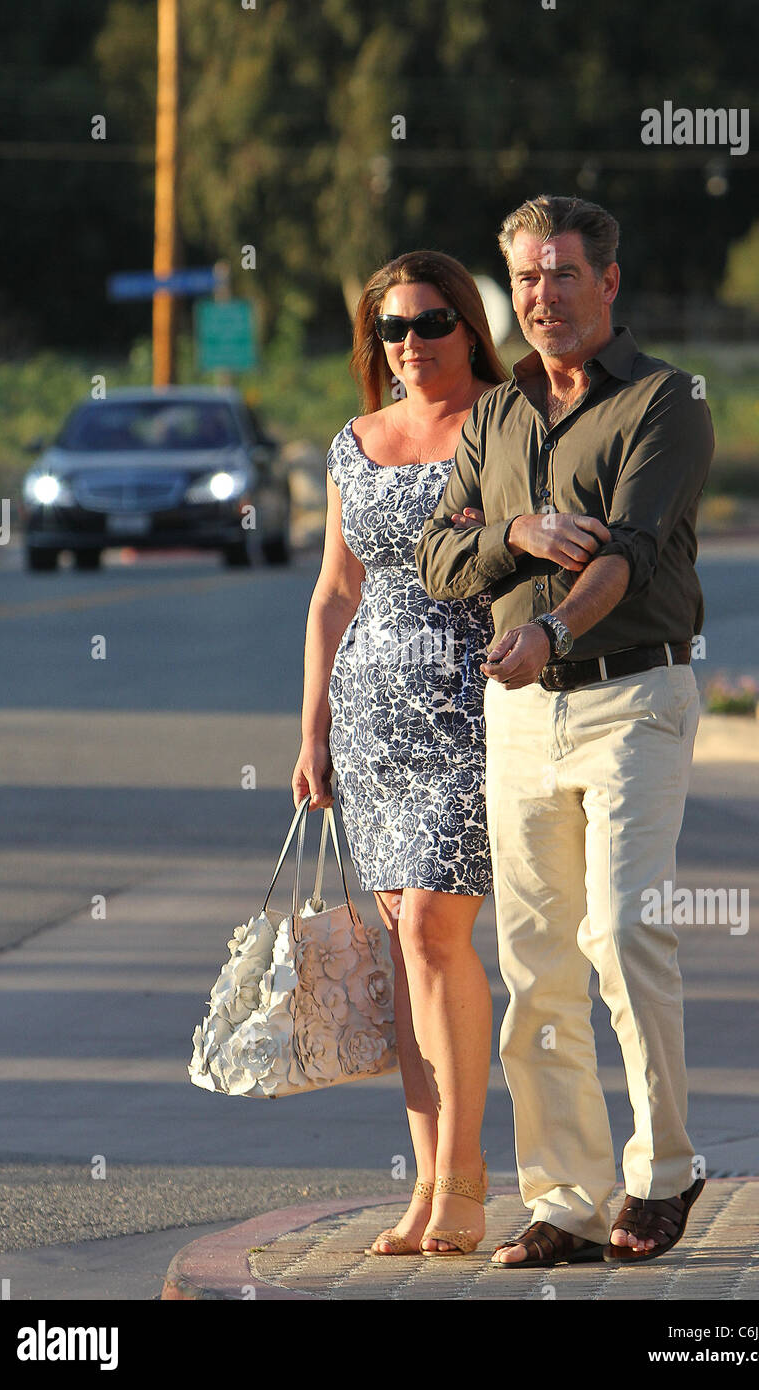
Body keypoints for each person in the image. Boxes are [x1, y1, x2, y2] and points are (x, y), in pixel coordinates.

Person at [415, 194, 714, 1267]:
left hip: (632, 696)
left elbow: (628, 550)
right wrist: (518, 531)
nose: (542, 296)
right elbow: (435, 556)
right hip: (519, 715)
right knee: (534, 963)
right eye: (526, 278)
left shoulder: (665, 401)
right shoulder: (495, 418)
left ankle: (664, 1169)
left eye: (561, 273)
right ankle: (566, 1199)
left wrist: (546, 624)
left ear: (607, 282)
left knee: (623, 933)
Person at [292, 250, 506, 1257]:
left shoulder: (505, 427)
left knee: (432, 932)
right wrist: (311, 729)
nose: (409, 343)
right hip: (371, 723)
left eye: (428, 322)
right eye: (391, 328)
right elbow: (335, 588)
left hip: (474, 710)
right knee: (404, 952)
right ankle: (424, 1189)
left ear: (467, 327)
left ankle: (465, 1180)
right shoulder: (354, 442)